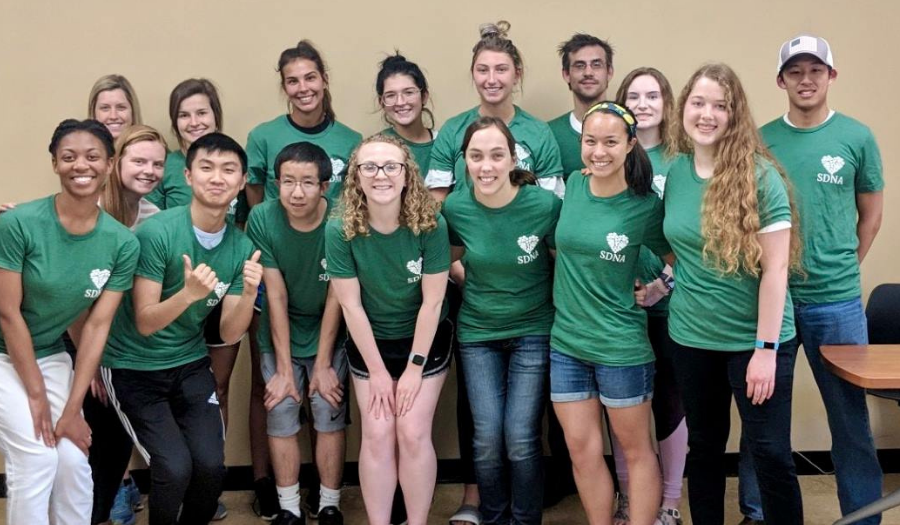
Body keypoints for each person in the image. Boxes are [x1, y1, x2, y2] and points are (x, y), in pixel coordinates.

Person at [737, 34, 885, 525]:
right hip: (771, 301)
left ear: (831, 76)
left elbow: (870, 215)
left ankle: (862, 518)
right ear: (781, 80)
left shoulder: (856, 137)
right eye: (795, 72)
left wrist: (841, 264)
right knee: (763, 423)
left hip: (837, 303)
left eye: (815, 70)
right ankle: (759, 514)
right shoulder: (759, 141)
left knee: (850, 424)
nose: (806, 80)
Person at [664, 63, 804, 525]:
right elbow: (676, 248)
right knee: (703, 446)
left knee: (769, 453)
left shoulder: (760, 177)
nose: (707, 114)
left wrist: (765, 351)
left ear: (734, 114)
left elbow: (776, 269)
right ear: (684, 107)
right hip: (691, 338)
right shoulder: (676, 173)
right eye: (698, 103)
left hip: (754, 342)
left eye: (720, 106)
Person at [100, 133, 261, 525]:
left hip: (189, 364)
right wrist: (188, 295)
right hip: (133, 366)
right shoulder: (157, 233)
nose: (217, 178)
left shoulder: (241, 246)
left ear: (242, 182)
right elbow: (145, 320)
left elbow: (227, 331)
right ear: (188, 176)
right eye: (206, 168)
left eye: (228, 170)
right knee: (174, 468)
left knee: (210, 468)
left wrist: (249, 293)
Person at [0, 119, 140, 525]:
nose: (82, 165)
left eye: (93, 156)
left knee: (74, 462)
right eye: (69, 157)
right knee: (38, 459)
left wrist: (73, 409)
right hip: (4, 356)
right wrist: (38, 397)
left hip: (49, 354)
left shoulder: (121, 243)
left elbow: (96, 328)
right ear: (55, 164)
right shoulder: (17, 224)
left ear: (110, 165)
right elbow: (8, 313)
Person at [551, 102, 670, 525]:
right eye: (590, 141)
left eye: (610, 142)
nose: (598, 151)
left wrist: (661, 286)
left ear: (630, 145)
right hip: (567, 345)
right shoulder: (573, 185)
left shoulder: (644, 205)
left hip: (621, 346)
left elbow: (682, 255)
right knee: (581, 451)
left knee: (636, 450)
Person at [326, 134, 452, 525]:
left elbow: (433, 302)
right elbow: (350, 304)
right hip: (371, 341)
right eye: (369, 167)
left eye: (390, 166)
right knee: (378, 433)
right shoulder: (339, 229)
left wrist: (413, 369)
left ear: (406, 174)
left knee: (412, 431)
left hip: (423, 339)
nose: (380, 175)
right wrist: (379, 373)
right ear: (356, 177)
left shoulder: (431, 223)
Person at [442, 116, 561, 525]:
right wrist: (465, 275)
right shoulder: (456, 207)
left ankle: (525, 520)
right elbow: (449, 260)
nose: (486, 166)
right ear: (465, 162)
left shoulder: (544, 205)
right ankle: (493, 518)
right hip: (478, 334)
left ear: (513, 159)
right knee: (488, 438)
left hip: (533, 331)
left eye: (496, 155)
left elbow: (563, 260)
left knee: (521, 437)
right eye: (476, 156)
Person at [246, 141, 349, 525]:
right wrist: (285, 370)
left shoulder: (340, 218)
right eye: (288, 181)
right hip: (281, 328)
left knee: (327, 404)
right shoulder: (262, 217)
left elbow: (337, 293)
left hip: (329, 326)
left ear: (325, 186)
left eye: (307, 182)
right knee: (281, 404)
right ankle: (288, 508)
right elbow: (275, 294)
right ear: (276, 184)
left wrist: (322, 364)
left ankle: (329, 503)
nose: (297, 191)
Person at [611, 67, 686, 525]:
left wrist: (663, 285)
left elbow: (694, 240)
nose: (643, 103)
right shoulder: (612, 157)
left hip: (673, 308)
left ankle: (670, 502)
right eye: (633, 95)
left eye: (652, 95)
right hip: (620, 308)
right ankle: (628, 497)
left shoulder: (682, 162)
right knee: (625, 409)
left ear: (666, 103)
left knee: (671, 402)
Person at [84, 125, 168, 525]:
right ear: (116, 163)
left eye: (157, 163)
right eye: (139, 161)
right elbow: (74, 297)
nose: (149, 170)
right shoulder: (92, 209)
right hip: (75, 340)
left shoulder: (152, 218)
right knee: (84, 448)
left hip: (112, 344)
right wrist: (91, 364)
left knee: (113, 446)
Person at [425, 21, 565, 201]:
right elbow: (436, 205)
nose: (491, 79)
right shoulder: (453, 130)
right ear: (473, 74)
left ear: (517, 75)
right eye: (483, 70)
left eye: (501, 70)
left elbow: (553, 203)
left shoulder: (539, 133)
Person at [246, 40, 362, 206]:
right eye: (293, 81)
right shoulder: (262, 137)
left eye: (310, 78)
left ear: (324, 80)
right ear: (285, 87)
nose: (303, 88)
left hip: (331, 232)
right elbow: (254, 200)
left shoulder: (352, 141)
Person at [548, 33, 615, 178]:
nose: (588, 72)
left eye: (596, 65)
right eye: (580, 66)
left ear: (609, 72)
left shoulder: (628, 129)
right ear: (566, 74)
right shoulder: (548, 134)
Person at [377, 52, 437, 175]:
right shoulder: (376, 147)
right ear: (381, 102)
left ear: (424, 96)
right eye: (391, 95)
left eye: (409, 92)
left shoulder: (444, 143)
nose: (400, 102)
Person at [88, 75, 143, 140]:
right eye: (105, 108)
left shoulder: (149, 149)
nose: (113, 116)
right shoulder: (79, 148)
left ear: (133, 111)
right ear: (93, 112)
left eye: (121, 107)